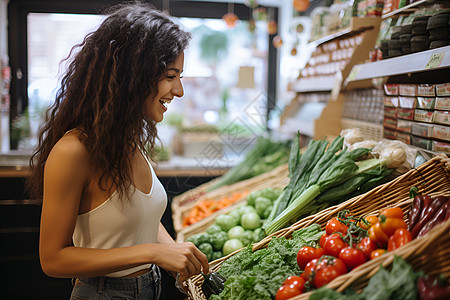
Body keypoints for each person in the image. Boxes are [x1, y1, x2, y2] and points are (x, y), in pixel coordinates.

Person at [26, 2, 209, 299]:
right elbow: (53, 259)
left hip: (150, 287)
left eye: (180, 77)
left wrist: (172, 250)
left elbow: (141, 222)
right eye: (170, 76)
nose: (179, 91)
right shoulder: (73, 151)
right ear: (134, 74)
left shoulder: (128, 138)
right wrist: (152, 252)